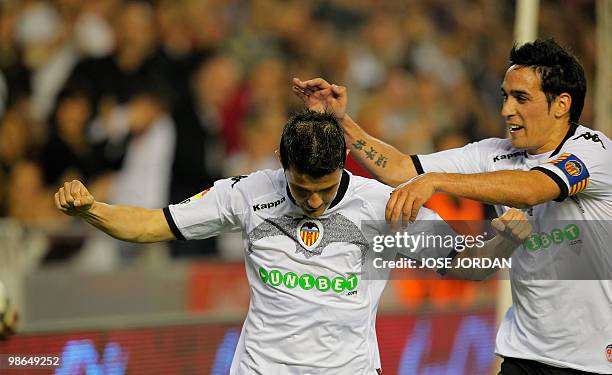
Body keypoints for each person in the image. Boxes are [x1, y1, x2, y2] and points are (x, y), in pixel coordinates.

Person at [54, 110, 530, 374]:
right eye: (302, 188)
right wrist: (91, 210)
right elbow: (153, 224)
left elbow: (461, 265)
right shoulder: (247, 193)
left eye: (326, 188)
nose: (315, 202)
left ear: (344, 164)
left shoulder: (383, 204)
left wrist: (502, 243)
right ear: (283, 161)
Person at [293, 38, 612, 374]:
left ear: (561, 104)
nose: (506, 110)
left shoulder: (593, 152)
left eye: (521, 98)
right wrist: (342, 122)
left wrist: (437, 180)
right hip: (524, 353)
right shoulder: (493, 153)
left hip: (591, 360)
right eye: (505, 96)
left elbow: (533, 189)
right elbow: (401, 168)